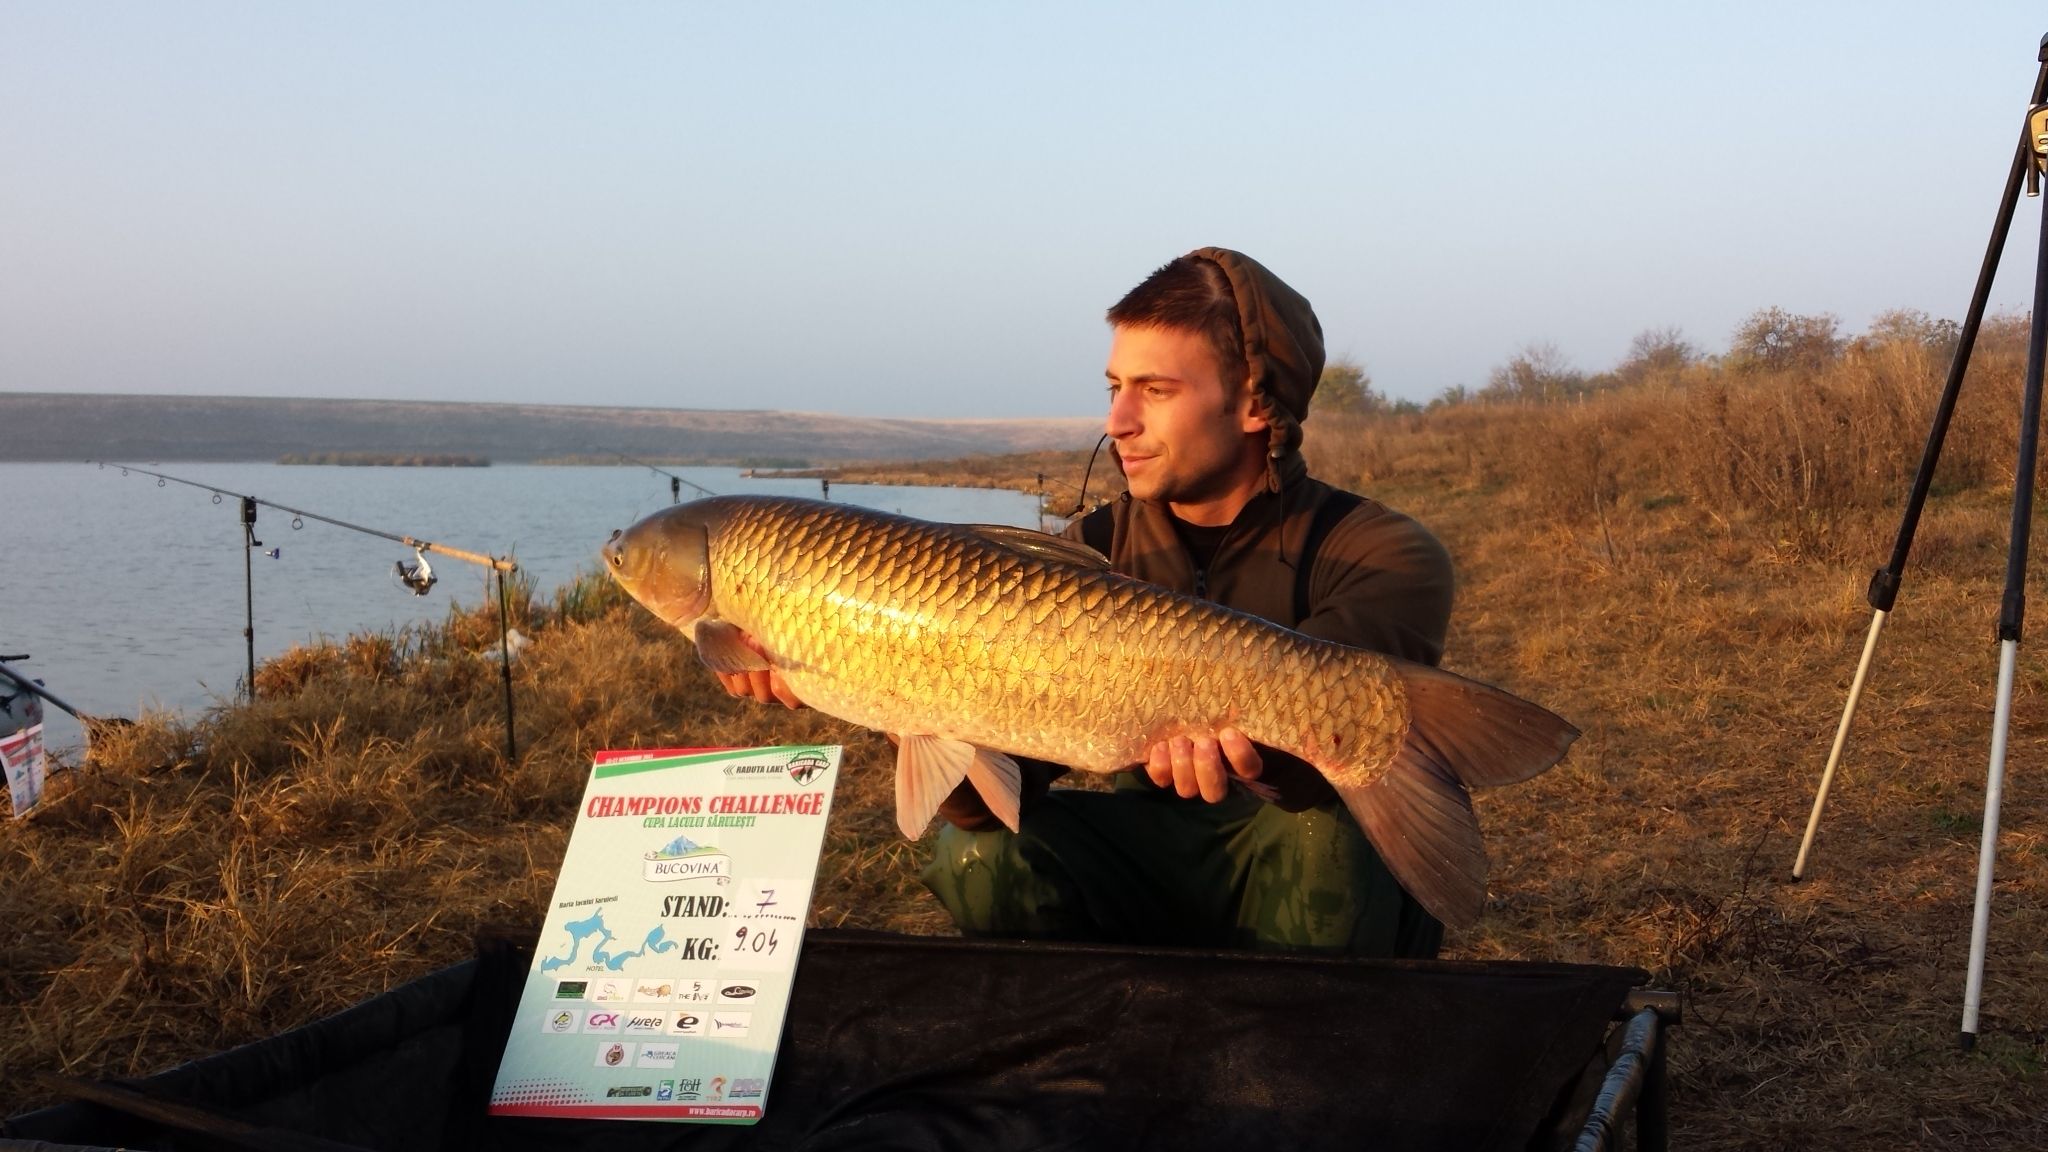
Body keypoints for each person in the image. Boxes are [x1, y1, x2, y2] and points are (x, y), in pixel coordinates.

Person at [717, 247, 1454, 957]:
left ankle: (1302, 1028)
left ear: (1256, 404)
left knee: (1330, 828)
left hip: (1292, 843)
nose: (1117, 421)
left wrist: (1255, 762)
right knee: (977, 855)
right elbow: (985, 805)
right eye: (1114, 388)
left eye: (1156, 391)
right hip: (1146, 848)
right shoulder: (1083, 557)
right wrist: (887, 685)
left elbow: (1333, 761)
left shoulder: (1381, 551)